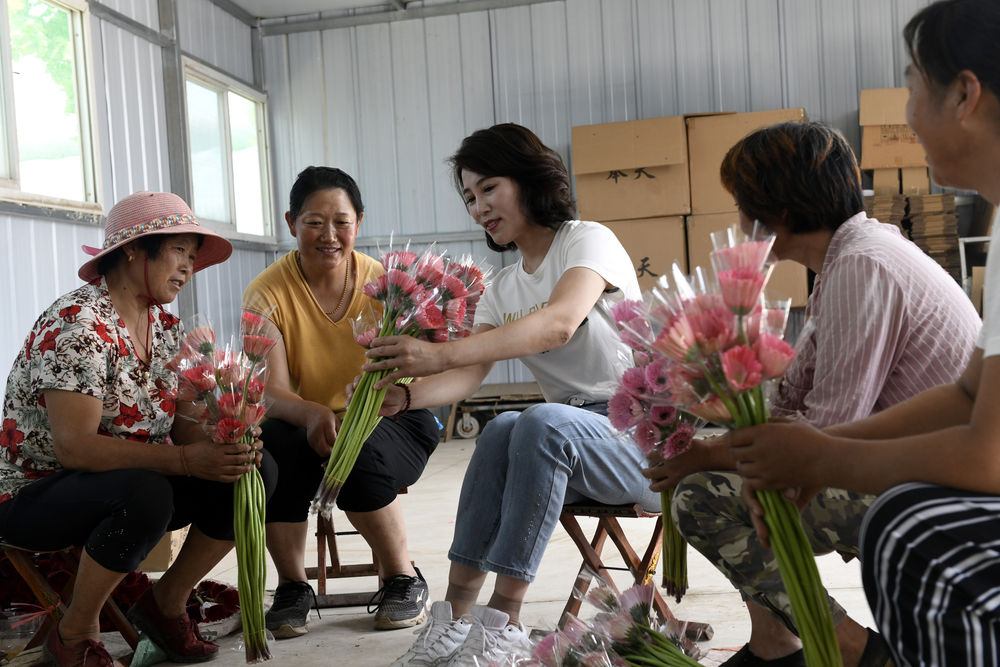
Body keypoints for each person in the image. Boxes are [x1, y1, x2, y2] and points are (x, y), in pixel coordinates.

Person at [644, 121, 981, 667]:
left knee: (701, 497)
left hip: (931, 488)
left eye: (740, 206)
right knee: (729, 471)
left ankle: (852, 649)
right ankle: (776, 642)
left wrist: (710, 454)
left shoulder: (861, 267)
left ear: (775, 210)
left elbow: (823, 436)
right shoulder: (852, 256)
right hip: (911, 467)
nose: (738, 225)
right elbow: (793, 409)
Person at [726, 2, 1000, 663]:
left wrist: (811, 455)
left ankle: (846, 649)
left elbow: (986, 453)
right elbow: (968, 393)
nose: (906, 115)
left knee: (904, 530)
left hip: (954, 470)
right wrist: (798, 446)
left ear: (963, 94)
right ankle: (789, 642)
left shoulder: (864, 264)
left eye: (911, 86)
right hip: (945, 452)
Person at [361, 123, 660, 667]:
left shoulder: (586, 240)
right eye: (469, 197)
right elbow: (467, 378)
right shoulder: (502, 287)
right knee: (501, 427)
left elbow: (560, 324)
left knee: (540, 422)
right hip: (564, 439)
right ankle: (454, 617)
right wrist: (403, 398)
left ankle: (505, 623)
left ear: (528, 180)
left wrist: (437, 354)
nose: (478, 208)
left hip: (638, 440)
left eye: (489, 188)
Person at [0, 191, 277, 666]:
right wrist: (188, 460)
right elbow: (76, 449)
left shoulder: (163, 326)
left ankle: (165, 604)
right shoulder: (79, 324)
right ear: (132, 249)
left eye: (193, 256)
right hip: (34, 495)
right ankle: (73, 632)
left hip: (125, 485)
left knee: (253, 471)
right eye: (178, 251)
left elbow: (182, 426)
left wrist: (225, 439)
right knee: (147, 494)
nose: (188, 267)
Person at [241, 166, 440, 637]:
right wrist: (313, 412)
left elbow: (408, 379)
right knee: (269, 447)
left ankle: (401, 577)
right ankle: (293, 587)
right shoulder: (266, 292)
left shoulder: (389, 289)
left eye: (341, 222)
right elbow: (271, 392)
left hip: (395, 419)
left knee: (358, 446)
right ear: (291, 223)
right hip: (306, 426)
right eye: (314, 222)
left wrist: (352, 416)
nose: (328, 235)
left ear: (359, 222)